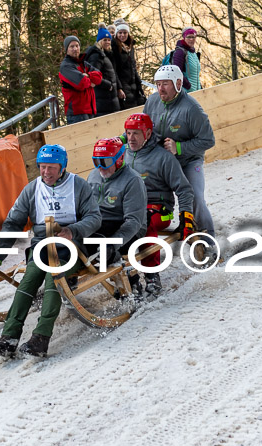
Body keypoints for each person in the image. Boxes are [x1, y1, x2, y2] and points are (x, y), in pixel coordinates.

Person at [0, 144, 101, 358]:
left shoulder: (78, 185)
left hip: (70, 246)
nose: (46, 173)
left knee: (53, 279)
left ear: (62, 167)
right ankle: (9, 337)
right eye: (42, 167)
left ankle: (41, 337)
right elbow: (13, 223)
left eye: (51, 167)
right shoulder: (32, 189)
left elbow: (94, 217)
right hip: (41, 244)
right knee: (29, 280)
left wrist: (72, 230)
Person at [123, 113, 195, 297]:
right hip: (129, 207)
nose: (131, 138)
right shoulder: (121, 155)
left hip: (159, 209)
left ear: (147, 133)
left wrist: (186, 216)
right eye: (128, 133)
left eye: (136, 134)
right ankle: (129, 276)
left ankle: (151, 274)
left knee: (142, 222)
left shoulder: (163, 157)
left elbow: (184, 189)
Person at [143, 65, 216, 238]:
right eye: (158, 84)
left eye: (165, 84)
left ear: (177, 84)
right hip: (161, 161)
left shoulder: (191, 108)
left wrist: (180, 148)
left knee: (195, 197)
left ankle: (209, 239)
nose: (160, 88)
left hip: (188, 161)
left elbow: (208, 140)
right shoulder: (152, 101)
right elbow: (144, 128)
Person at [86, 138, 147, 275]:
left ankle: (130, 278)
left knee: (99, 246)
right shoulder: (94, 175)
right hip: (101, 225)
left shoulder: (132, 181)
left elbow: (134, 221)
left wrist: (113, 244)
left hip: (127, 228)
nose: (100, 167)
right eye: (96, 162)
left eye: (105, 162)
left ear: (119, 160)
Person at [59, 35, 103, 124]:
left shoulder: (83, 63)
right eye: (72, 46)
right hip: (76, 113)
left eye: (77, 46)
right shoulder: (66, 66)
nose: (75, 48)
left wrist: (87, 75)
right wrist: (89, 80)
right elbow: (82, 83)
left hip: (90, 110)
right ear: (66, 49)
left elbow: (99, 77)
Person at [84, 24, 124, 117]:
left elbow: (112, 72)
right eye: (105, 40)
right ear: (99, 41)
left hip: (109, 98)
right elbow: (93, 76)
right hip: (102, 100)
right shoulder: (96, 56)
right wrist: (108, 85)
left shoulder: (105, 54)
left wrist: (118, 88)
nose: (107, 42)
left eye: (109, 40)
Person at [112, 22, 147, 110]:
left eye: (125, 33)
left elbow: (133, 66)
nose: (122, 35)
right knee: (129, 108)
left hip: (133, 83)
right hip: (123, 83)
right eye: (120, 33)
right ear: (116, 34)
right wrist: (119, 87)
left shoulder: (130, 47)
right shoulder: (114, 47)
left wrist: (139, 83)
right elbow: (114, 69)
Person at [172, 27, 202, 92]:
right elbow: (176, 72)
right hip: (185, 93)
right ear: (184, 37)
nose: (191, 39)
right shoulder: (180, 52)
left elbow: (196, 76)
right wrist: (189, 86)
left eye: (193, 37)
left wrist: (200, 88)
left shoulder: (193, 53)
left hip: (197, 92)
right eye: (188, 37)